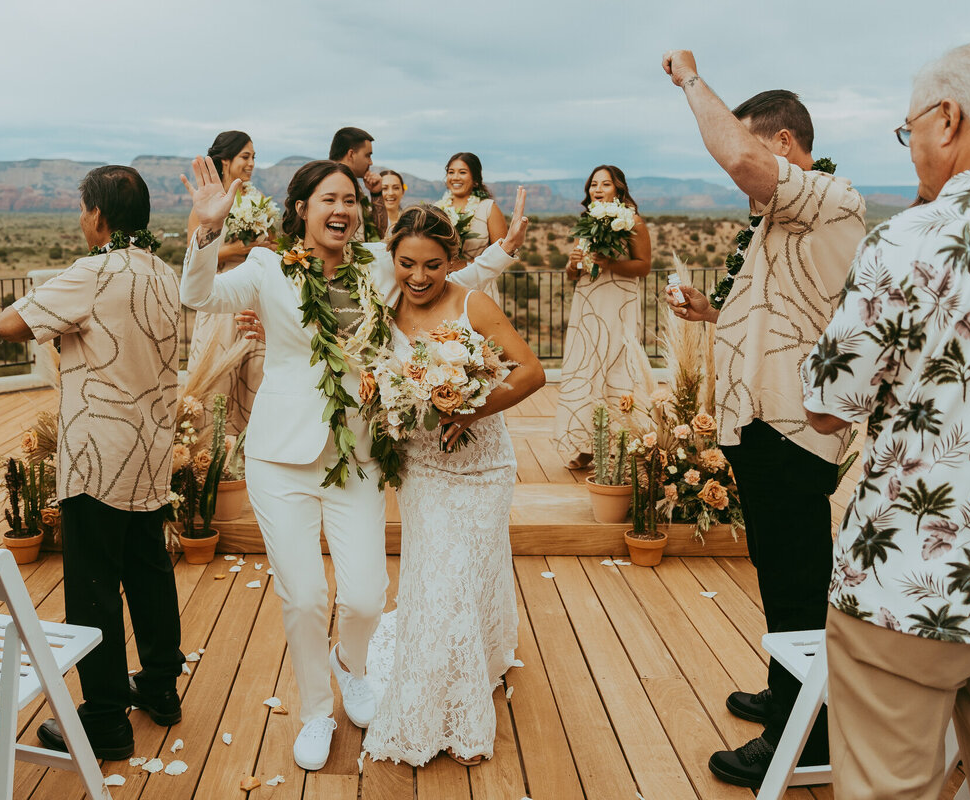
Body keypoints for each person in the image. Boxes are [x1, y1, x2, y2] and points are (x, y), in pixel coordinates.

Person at [179, 156, 528, 772]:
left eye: (349, 200)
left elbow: (441, 279)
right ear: (301, 210)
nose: (341, 210)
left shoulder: (376, 263)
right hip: (279, 456)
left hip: (359, 454)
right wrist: (207, 233)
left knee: (366, 596)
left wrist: (500, 254)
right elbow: (197, 294)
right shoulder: (264, 267)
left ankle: (353, 665)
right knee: (306, 596)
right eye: (327, 200)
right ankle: (317, 709)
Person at [660, 50, 866, 789]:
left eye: (754, 149)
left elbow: (741, 161)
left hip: (792, 427)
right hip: (761, 423)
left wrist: (689, 79)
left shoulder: (830, 197)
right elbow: (793, 311)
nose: (738, 174)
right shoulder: (784, 222)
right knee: (781, 573)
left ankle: (804, 739)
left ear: (783, 146)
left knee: (798, 581)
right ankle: (788, 691)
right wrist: (713, 312)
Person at [801, 41, 970, 799]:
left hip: (908, 581)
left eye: (906, 128)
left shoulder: (909, 240)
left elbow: (824, 407)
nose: (910, 145)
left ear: (947, 118)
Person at [0, 165, 185, 760]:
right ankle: (159, 687)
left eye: (83, 209)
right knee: (148, 571)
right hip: (150, 448)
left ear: (98, 216)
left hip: (96, 455)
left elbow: (7, 326)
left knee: (95, 590)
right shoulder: (162, 271)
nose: (81, 220)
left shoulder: (92, 271)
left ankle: (104, 720)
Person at [361, 205, 545, 767]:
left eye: (433, 265)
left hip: (482, 465)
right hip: (421, 467)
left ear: (454, 261)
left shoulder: (473, 303)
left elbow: (531, 371)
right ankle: (442, 707)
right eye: (408, 264)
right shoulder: (381, 307)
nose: (419, 277)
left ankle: (469, 694)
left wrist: (471, 408)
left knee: (469, 573)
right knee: (437, 576)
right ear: (392, 259)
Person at [553, 165, 655, 470]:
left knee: (617, 367)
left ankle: (620, 442)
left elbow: (644, 266)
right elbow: (574, 272)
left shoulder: (633, 221)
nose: (597, 189)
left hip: (618, 304)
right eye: (593, 185)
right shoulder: (586, 223)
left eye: (605, 184)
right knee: (586, 368)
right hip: (587, 305)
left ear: (618, 188)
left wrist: (611, 264)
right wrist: (572, 264)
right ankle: (586, 445)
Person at [184, 131, 274, 433]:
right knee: (216, 377)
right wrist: (238, 249)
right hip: (219, 296)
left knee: (254, 374)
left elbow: (271, 245)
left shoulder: (259, 202)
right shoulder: (205, 205)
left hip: (252, 299)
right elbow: (192, 257)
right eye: (245, 157)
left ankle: (248, 449)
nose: (251, 164)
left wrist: (266, 247)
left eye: (253, 158)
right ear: (225, 160)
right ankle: (208, 446)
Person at [438, 152, 508, 305]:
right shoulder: (437, 210)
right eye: (451, 172)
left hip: (480, 290)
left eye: (462, 172)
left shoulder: (488, 208)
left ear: (475, 179)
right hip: (443, 288)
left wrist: (465, 264)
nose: (455, 177)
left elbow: (503, 255)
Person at [329, 126, 387, 242]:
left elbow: (379, 233)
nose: (371, 162)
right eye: (368, 155)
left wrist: (376, 194)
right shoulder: (325, 183)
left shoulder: (355, 186)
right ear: (351, 154)